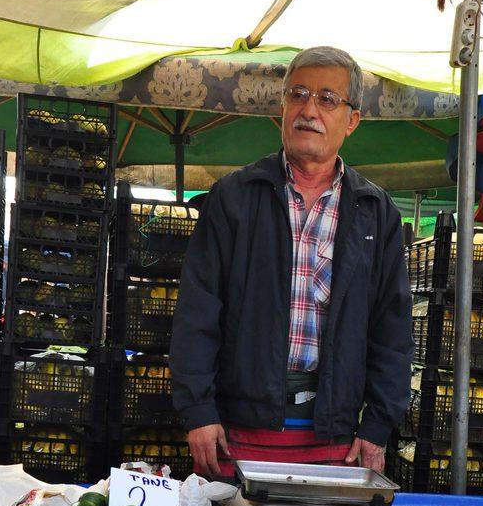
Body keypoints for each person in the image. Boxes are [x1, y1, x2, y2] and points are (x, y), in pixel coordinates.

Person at [170, 46, 413, 477]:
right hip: (238, 429)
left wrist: (377, 424)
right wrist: (199, 411)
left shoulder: (376, 211)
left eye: (327, 98)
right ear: (281, 107)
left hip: (334, 437)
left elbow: (391, 329)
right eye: (298, 94)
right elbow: (197, 311)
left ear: (352, 120)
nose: (309, 109)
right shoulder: (235, 197)